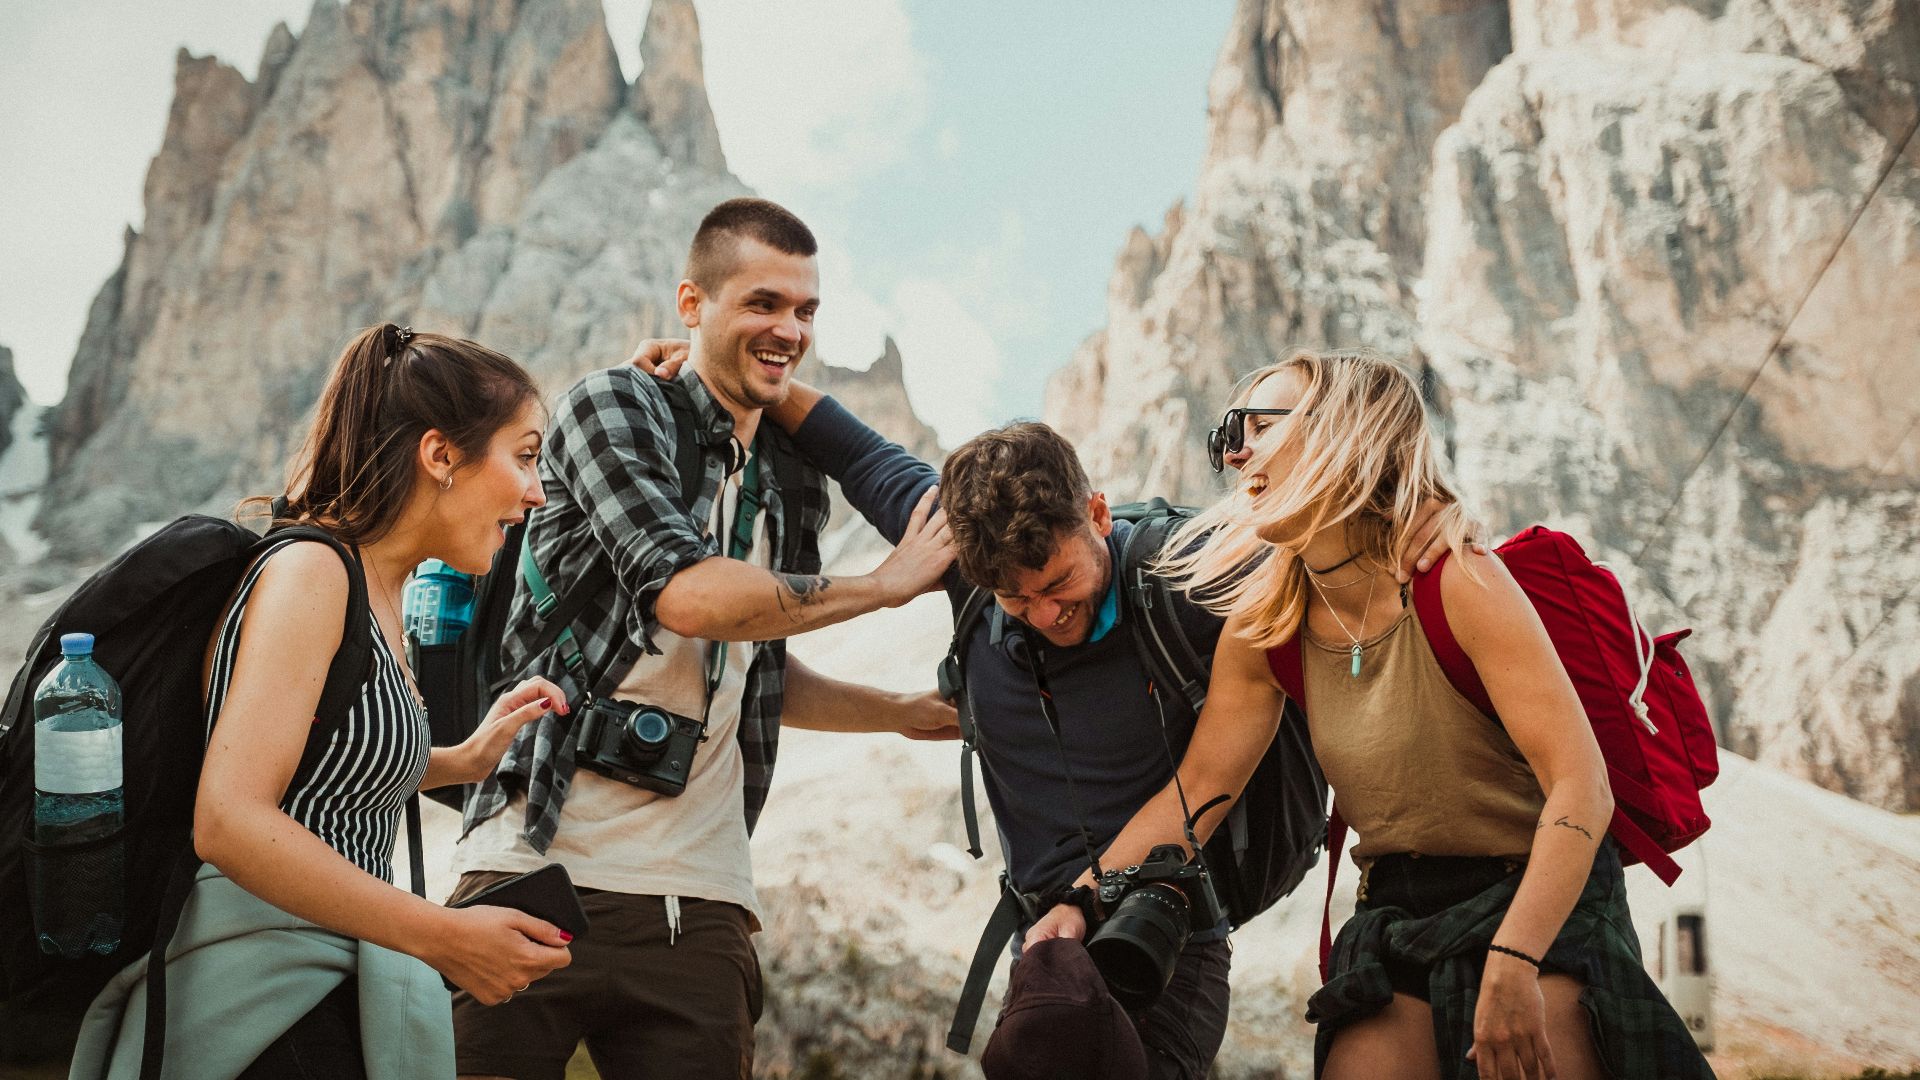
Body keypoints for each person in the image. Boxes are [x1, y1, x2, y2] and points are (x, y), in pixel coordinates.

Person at [626, 337, 1453, 1079]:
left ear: (1096, 514)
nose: (1045, 615)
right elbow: (857, 451)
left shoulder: (1189, 574)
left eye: (1059, 584)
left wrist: (1428, 516)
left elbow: (1328, 533)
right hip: (1044, 943)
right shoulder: (967, 567)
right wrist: (731, 366)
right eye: (1012, 601)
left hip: (1166, 938)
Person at [1074, 349, 1715, 1080]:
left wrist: (1514, 960)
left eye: (1260, 426)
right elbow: (1195, 798)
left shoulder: (1458, 580)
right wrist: (1078, 902)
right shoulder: (1265, 629)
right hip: (1395, 912)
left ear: (1345, 433)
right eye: (1230, 432)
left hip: (1538, 895)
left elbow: (1582, 790)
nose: (1235, 450)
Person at [447, 198, 958, 1080]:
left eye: (805, 311)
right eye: (762, 303)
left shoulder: (792, 480)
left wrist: (900, 713)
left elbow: (754, 650)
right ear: (692, 302)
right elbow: (688, 598)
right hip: (532, 868)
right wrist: (883, 587)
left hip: (702, 902)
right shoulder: (613, 408)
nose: (789, 329)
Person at [71, 324, 576, 1079]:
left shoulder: (377, 590)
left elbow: (319, 772)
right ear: (440, 456)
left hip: (322, 985)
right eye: (526, 456)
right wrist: (444, 936)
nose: (537, 492)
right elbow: (231, 819)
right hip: (257, 1003)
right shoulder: (314, 571)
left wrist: (456, 760)